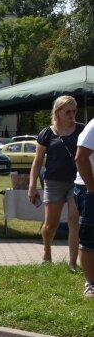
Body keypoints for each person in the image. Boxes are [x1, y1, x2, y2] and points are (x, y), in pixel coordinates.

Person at [27, 95, 83, 270]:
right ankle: (47, 251)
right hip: (53, 182)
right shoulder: (47, 133)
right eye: (68, 111)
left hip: (76, 181)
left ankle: (73, 263)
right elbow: (37, 162)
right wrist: (31, 186)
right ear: (57, 112)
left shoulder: (82, 130)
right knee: (51, 224)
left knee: (75, 221)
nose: (72, 114)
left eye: (74, 111)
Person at [75, 118, 94, 298]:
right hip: (88, 187)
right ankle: (91, 283)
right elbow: (80, 158)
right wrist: (92, 188)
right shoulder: (93, 126)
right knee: (90, 237)